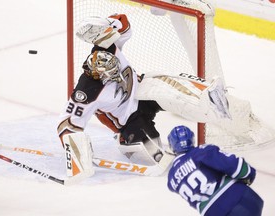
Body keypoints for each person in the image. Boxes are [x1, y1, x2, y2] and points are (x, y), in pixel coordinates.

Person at [57, 13, 230, 179]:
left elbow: (123, 24)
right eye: (110, 74)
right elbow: (66, 125)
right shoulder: (85, 92)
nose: (115, 74)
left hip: (143, 91)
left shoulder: (107, 46)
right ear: (97, 74)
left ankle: (208, 95)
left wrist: (106, 24)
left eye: (114, 68)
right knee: (157, 156)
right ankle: (126, 142)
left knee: (171, 85)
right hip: (129, 120)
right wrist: (77, 156)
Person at [166, 125, 264, 216]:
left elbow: (171, 186)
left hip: (212, 212)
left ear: (172, 145)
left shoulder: (171, 177)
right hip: (239, 200)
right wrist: (249, 174)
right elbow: (236, 166)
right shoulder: (202, 151)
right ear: (192, 139)